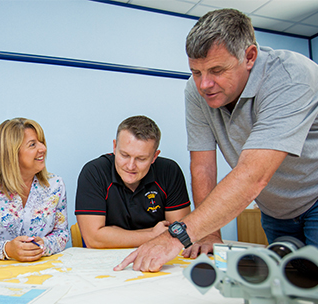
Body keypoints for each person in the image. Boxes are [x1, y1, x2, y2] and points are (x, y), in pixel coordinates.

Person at [115, 8, 318, 273]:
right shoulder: (196, 90)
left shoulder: (291, 77)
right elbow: (203, 167)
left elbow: (252, 175)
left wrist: (176, 236)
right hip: (275, 210)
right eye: (196, 72)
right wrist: (209, 233)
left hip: (314, 196)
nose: (204, 84)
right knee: (288, 292)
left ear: (250, 57)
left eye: (217, 70)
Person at [0, 118, 69, 262]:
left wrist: (44, 245)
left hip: (43, 270)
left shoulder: (55, 185)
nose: (43, 148)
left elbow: (61, 234)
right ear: (11, 153)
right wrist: (7, 250)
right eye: (32, 145)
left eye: (41, 142)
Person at [75, 115, 191, 248]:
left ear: (154, 156)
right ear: (114, 147)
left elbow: (178, 234)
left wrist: (112, 234)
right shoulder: (94, 172)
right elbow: (94, 240)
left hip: (158, 255)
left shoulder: (170, 172)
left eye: (141, 159)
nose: (130, 166)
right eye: (124, 155)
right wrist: (153, 234)